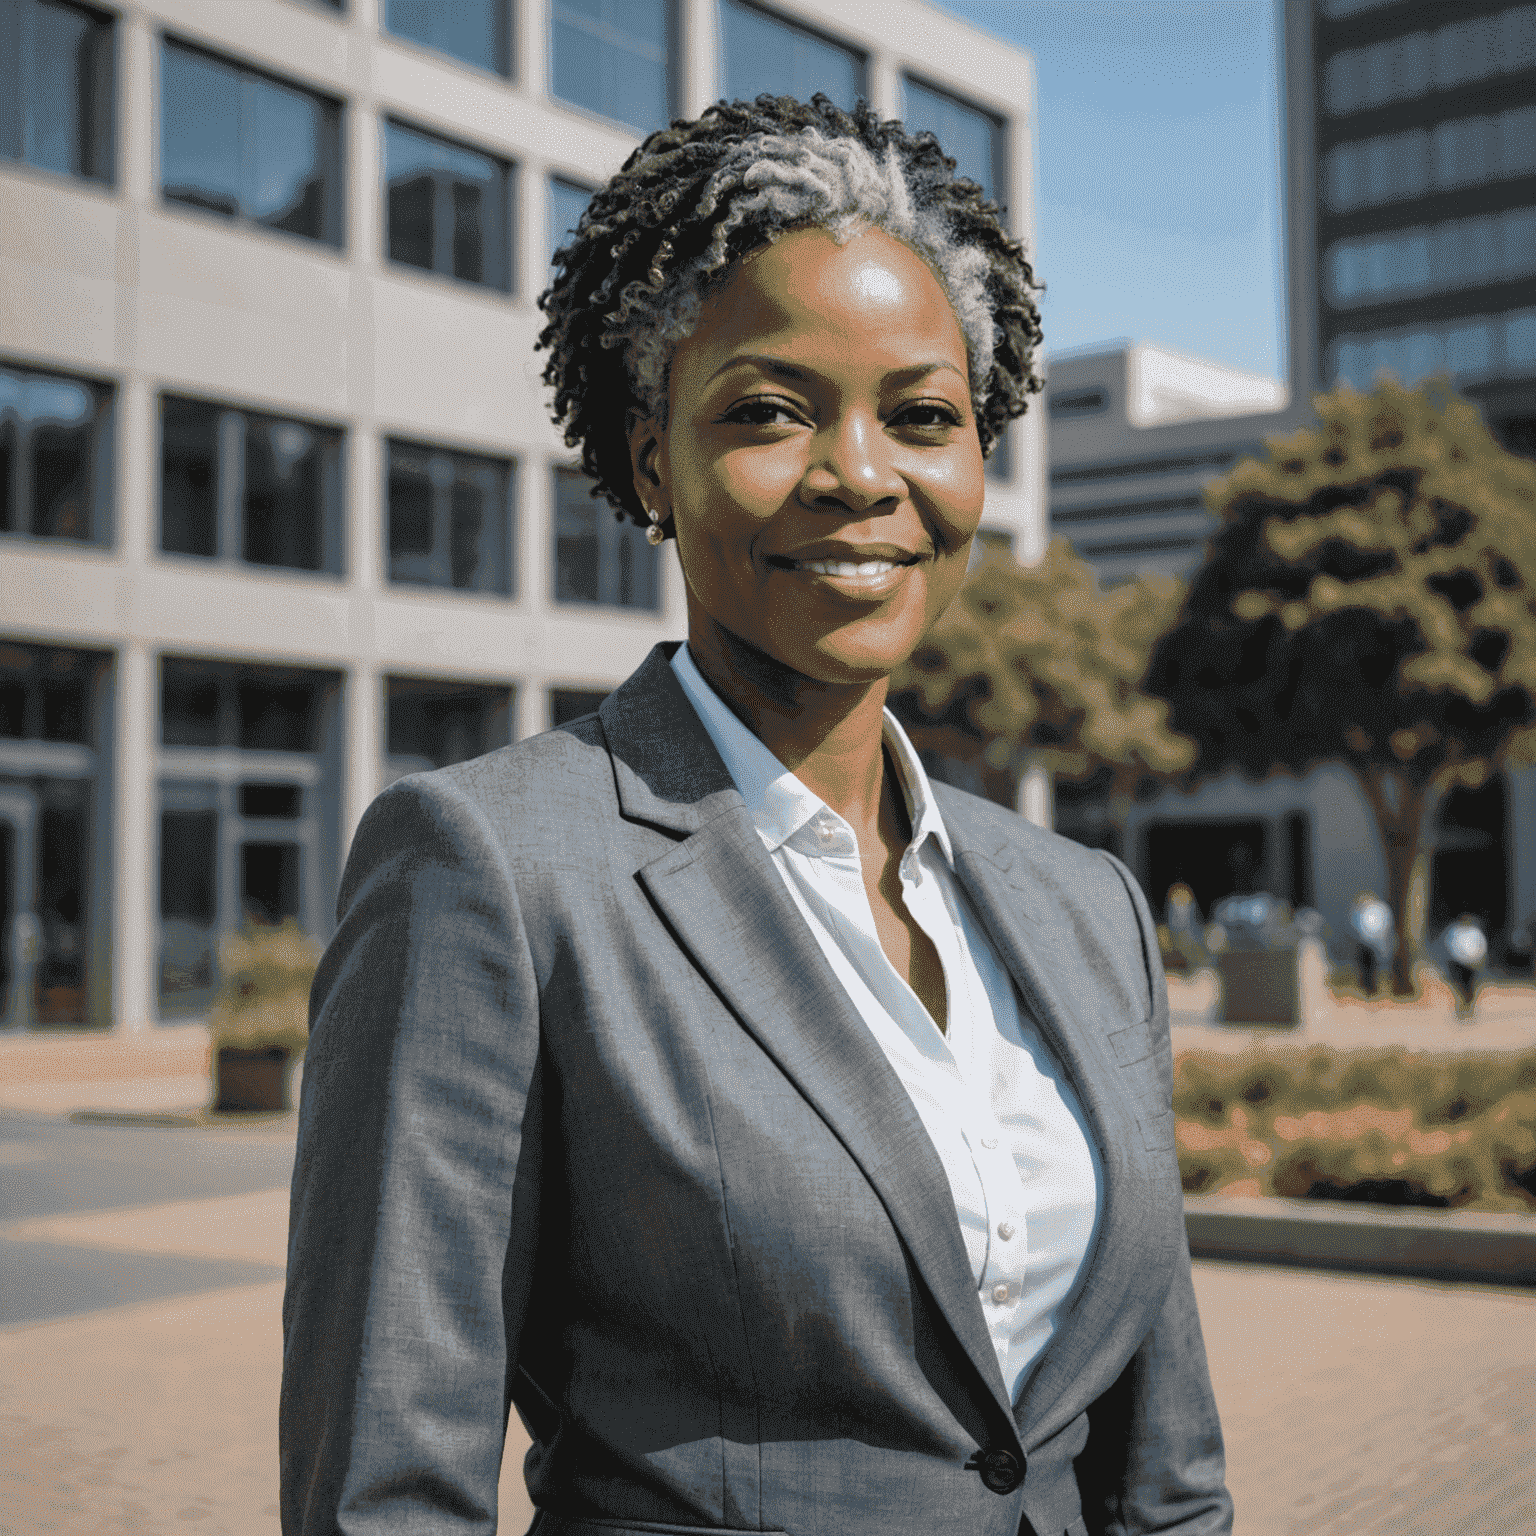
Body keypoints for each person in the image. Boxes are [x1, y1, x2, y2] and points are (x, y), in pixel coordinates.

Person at [281, 95, 1232, 1536]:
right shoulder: (491, 870)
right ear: (654, 461)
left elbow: (1163, 1476)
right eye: (771, 412)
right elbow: (384, 1493)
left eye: (923, 416)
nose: (862, 476)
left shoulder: (1083, 907)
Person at [1441, 912, 1488, 1018]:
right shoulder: (1455, 931)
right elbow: (1449, 946)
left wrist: (1479, 961)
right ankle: (1461, 1005)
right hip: (1457, 963)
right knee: (1459, 985)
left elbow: (1481, 947)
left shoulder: (1475, 932)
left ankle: (1468, 1005)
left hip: (1472, 964)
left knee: (1470, 987)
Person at [1348, 891, 1394, 996]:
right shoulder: (1360, 910)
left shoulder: (1378, 909)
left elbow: (1385, 926)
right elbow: (1355, 927)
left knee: (1377, 969)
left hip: (1375, 945)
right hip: (1364, 946)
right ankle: (1368, 989)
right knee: (1366, 969)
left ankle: (1375, 989)